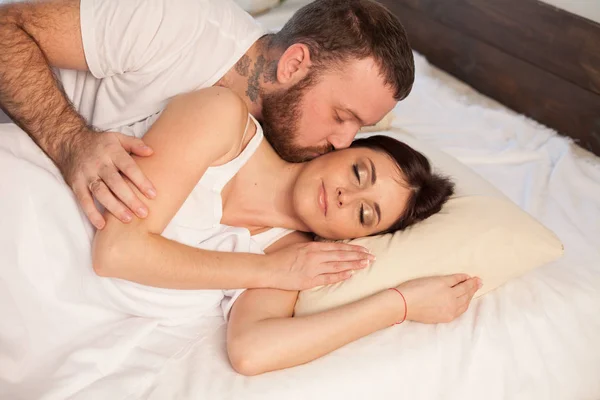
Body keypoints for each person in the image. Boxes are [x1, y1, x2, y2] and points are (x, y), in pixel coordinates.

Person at [89, 87, 482, 374]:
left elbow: (251, 352)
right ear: (341, 146)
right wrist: (266, 271)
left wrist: (400, 304)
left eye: (365, 214)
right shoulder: (222, 118)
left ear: (353, 238)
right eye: (359, 172)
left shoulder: (293, 259)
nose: (346, 195)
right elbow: (116, 252)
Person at [0, 0, 414, 233]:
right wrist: (71, 141)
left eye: (361, 127)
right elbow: (6, 30)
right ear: (293, 65)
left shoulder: (292, 145)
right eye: (342, 115)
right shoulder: (172, 21)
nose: (344, 142)